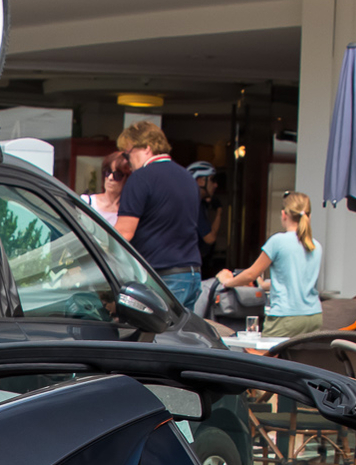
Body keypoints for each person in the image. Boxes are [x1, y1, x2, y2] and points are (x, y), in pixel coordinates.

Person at [113, 121, 202, 304]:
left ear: (146, 147)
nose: (127, 161)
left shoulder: (141, 178)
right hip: (191, 273)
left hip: (161, 276)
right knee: (180, 333)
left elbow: (124, 233)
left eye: (127, 153)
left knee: (155, 333)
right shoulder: (188, 178)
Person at [214, 191, 321, 336]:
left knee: (261, 356)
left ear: (284, 214)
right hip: (314, 315)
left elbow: (251, 274)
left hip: (286, 316)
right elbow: (296, 279)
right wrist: (264, 285)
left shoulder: (278, 241)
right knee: (298, 357)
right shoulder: (315, 245)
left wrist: (227, 282)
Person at [91, 150, 133, 227]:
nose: (110, 178)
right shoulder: (88, 203)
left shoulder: (130, 211)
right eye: (108, 172)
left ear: (127, 179)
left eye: (117, 175)